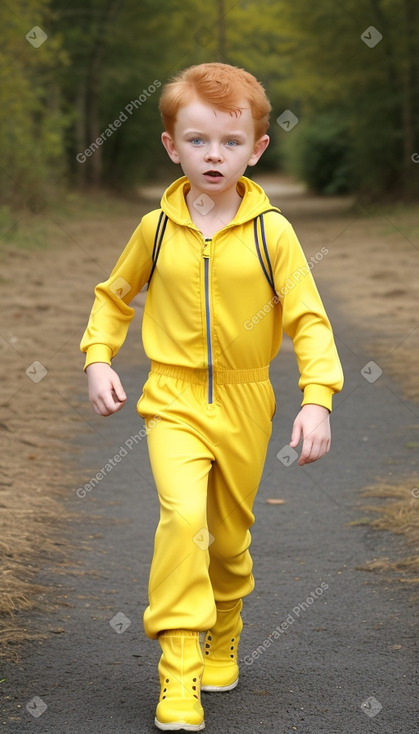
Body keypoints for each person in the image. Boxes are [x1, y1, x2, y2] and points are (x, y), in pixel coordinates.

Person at [80, 62, 343, 732]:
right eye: (197, 141)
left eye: (230, 142)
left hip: (246, 400)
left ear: (256, 148)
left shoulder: (271, 232)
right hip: (169, 399)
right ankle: (178, 670)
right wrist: (98, 358)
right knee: (181, 520)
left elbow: (307, 319)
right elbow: (114, 297)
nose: (213, 156)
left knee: (225, 539)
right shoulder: (155, 229)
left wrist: (317, 397)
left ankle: (224, 623)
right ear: (172, 146)